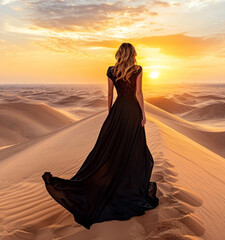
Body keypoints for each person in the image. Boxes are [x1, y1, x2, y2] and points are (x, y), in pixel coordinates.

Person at [42, 42, 159, 230]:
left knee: (113, 150)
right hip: (132, 112)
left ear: (119, 54)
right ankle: (126, 183)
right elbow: (138, 93)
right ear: (133, 54)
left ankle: (112, 182)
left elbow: (110, 94)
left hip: (118, 111)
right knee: (134, 149)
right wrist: (143, 114)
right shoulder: (137, 69)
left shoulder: (111, 70)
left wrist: (110, 114)